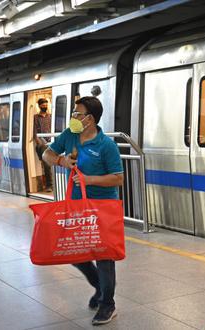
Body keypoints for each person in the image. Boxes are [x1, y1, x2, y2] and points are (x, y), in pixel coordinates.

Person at [42, 96, 123, 325]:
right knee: (76, 254)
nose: (74, 118)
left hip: (102, 208)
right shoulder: (69, 136)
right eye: (74, 113)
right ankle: (100, 287)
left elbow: (118, 179)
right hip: (76, 207)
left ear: (90, 119)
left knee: (104, 257)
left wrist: (90, 180)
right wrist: (60, 161)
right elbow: (46, 154)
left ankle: (108, 305)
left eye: (78, 114)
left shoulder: (106, 145)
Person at [33, 98, 53, 192]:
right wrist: (39, 143)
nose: (45, 106)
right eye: (43, 105)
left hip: (52, 142)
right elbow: (34, 132)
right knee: (46, 163)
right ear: (39, 106)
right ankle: (49, 185)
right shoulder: (35, 117)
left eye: (46, 104)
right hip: (42, 143)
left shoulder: (51, 116)